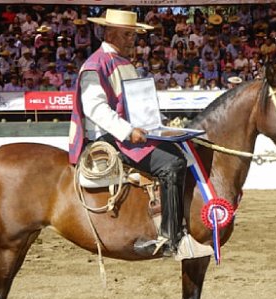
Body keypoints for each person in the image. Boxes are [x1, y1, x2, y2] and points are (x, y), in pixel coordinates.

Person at [68, 9, 188, 255]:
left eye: (133, 34)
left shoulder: (123, 62)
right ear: (110, 32)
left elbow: (137, 105)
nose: (132, 39)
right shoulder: (95, 64)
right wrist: (128, 131)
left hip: (126, 133)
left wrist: (161, 123)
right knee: (173, 163)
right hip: (109, 136)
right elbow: (94, 107)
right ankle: (169, 238)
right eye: (127, 34)